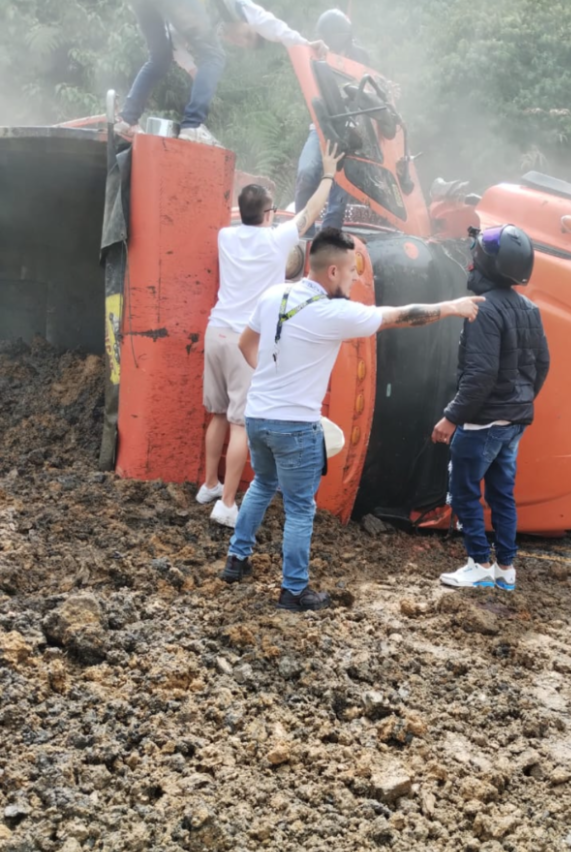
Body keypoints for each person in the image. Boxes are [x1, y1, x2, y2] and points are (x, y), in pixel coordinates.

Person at [220, 228, 485, 611]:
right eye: (350, 272)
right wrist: (450, 307)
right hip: (295, 426)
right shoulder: (332, 312)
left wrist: (271, 380)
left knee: (262, 485)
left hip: (258, 415)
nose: (355, 279)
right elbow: (402, 317)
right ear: (331, 271)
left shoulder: (273, 295)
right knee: (299, 508)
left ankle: (235, 561)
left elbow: (246, 345)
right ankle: (293, 591)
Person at [196, 141, 344, 528]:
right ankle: (227, 503)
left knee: (215, 414)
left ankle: (209, 484)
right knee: (241, 423)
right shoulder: (277, 239)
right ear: (268, 214)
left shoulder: (225, 237)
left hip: (216, 333)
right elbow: (311, 211)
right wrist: (328, 173)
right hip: (248, 337)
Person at [432, 225, 550, 591]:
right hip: (514, 421)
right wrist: (519, 401)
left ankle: (479, 563)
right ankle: (505, 569)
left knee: (465, 490)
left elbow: (480, 375)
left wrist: (451, 417)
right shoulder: (530, 308)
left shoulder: (483, 309)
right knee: (501, 493)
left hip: (483, 423)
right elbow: (542, 364)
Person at [116, 0, 325, 146]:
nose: (238, 41)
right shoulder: (234, 4)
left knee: (159, 59)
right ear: (247, 24)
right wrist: (303, 43)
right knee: (215, 56)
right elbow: (267, 21)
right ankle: (193, 126)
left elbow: (174, 42)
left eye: (244, 44)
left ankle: (128, 120)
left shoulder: (208, 20)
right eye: (247, 36)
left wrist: (191, 68)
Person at [294, 9, 372, 232]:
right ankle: (302, 232)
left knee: (341, 185)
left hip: (351, 129)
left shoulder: (361, 57)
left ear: (346, 35)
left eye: (337, 35)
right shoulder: (316, 52)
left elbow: (369, 90)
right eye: (329, 36)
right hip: (322, 124)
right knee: (306, 173)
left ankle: (329, 237)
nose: (333, 41)